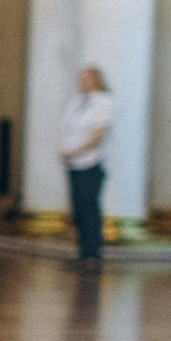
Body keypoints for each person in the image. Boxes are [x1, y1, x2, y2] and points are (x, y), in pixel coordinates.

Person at [61, 64, 113, 261]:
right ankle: (83, 252)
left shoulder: (103, 102)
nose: (81, 82)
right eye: (80, 79)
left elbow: (99, 134)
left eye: (86, 78)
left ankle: (92, 253)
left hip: (91, 163)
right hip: (73, 163)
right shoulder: (77, 102)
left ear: (97, 80)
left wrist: (76, 150)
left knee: (89, 207)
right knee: (79, 210)